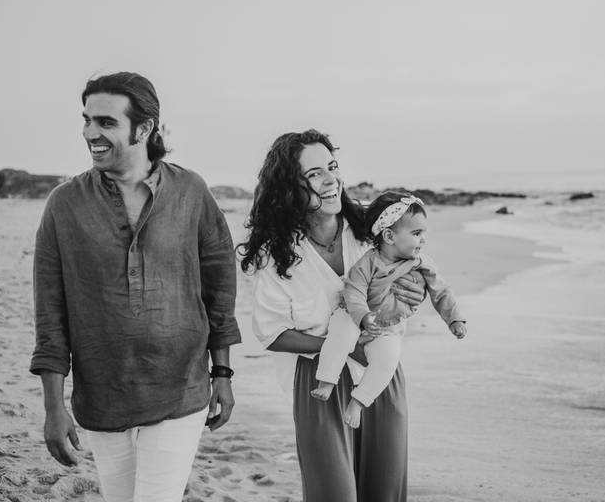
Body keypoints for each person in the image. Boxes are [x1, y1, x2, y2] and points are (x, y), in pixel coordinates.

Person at [30, 72, 241, 502]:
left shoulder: (191, 192)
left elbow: (220, 288)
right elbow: (49, 312)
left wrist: (222, 372)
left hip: (180, 388)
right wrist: (54, 407)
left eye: (106, 122)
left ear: (144, 128)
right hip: (102, 395)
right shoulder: (64, 205)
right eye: (87, 120)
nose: (91, 133)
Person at [238, 129, 425, 502]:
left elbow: (410, 273)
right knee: (333, 494)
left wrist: (413, 292)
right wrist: (342, 347)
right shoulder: (276, 254)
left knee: (384, 492)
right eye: (314, 174)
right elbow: (272, 334)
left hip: (381, 372)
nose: (330, 180)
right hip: (318, 380)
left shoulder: (373, 230)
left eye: (333, 167)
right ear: (289, 187)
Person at [311, 191, 467, 428]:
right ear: (389, 236)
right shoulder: (368, 262)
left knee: (388, 361)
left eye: (423, 233)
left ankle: (358, 402)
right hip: (354, 316)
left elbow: (441, 292)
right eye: (416, 233)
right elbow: (354, 291)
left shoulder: (422, 264)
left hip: (389, 327)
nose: (423, 240)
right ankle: (327, 381)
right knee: (340, 334)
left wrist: (454, 319)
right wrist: (363, 316)